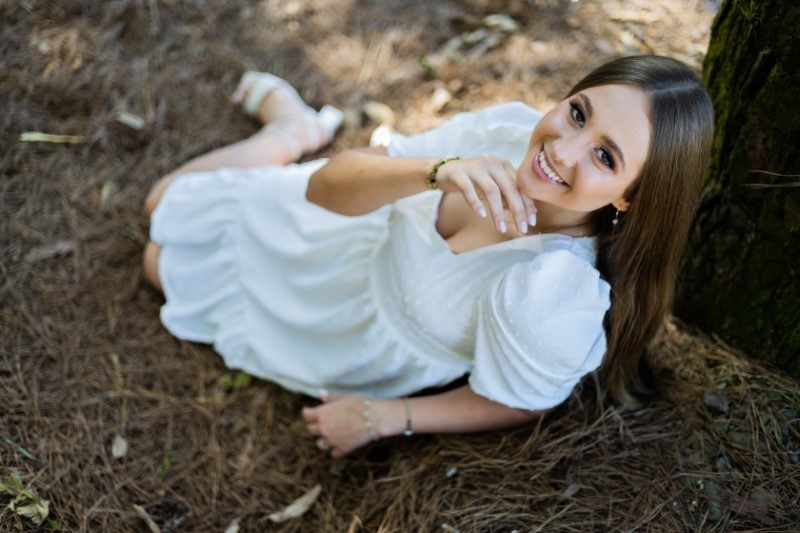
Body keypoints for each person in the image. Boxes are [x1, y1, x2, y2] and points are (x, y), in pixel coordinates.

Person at [142, 56, 714, 458]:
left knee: (157, 264)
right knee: (160, 201)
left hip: (350, 331)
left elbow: (521, 400)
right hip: (342, 230)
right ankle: (293, 133)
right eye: (579, 114)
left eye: (605, 157)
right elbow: (327, 188)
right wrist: (437, 172)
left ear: (630, 197)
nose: (562, 151)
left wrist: (389, 417)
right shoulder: (507, 130)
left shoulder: (553, 292)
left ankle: (293, 130)